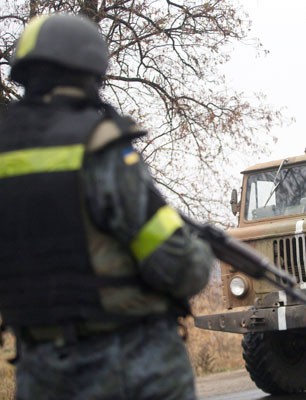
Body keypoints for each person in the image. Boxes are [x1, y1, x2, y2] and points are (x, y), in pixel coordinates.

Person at [0, 14, 215, 399]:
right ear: (90, 73)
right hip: (129, 363)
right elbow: (178, 265)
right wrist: (201, 256)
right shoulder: (100, 147)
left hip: (38, 369)